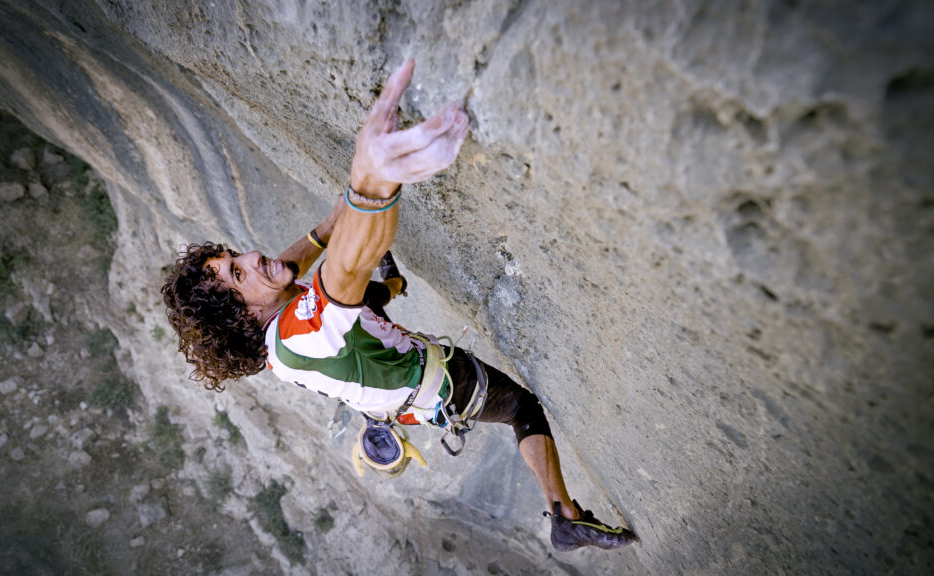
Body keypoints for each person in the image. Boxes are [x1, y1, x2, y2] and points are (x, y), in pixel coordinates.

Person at [161, 59, 636, 552]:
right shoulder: (297, 335)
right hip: (441, 387)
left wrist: (338, 214)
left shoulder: (272, 308)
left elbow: (298, 255)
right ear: (243, 315)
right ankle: (563, 515)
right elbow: (345, 267)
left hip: (381, 374)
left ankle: (394, 285)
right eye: (237, 272)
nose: (252, 257)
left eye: (234, 256)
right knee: (522, 408)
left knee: (365, 300)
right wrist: (371, 185)